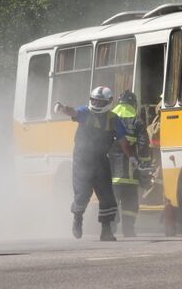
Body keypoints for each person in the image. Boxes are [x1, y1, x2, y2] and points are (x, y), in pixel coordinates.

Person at [53, 86, 135, 241]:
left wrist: (131, 157)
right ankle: (78, 217)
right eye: (94, 100)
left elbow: (123, 142)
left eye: (100, 101)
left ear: (109, 102)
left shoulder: (114, 119)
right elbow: (73, 112)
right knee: (83, 194)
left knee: (107, 197)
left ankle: (106, 231)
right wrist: (63, 108)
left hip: (101, 160)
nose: (96, 104)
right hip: (82, 160)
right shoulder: (86, 113)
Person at [108, 90, 151, 237]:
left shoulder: (109, 118)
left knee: (111, 201)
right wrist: (145, 165)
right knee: (130, 204)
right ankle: (128, 229)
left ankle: (110, 227)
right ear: (134, 104)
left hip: (111, 172)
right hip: (131, 173)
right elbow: (144, 145)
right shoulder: (137, 120)